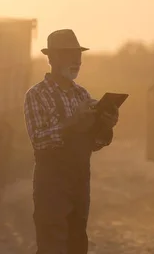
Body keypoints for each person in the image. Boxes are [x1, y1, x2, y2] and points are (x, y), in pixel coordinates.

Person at [24, 29, 119, 254]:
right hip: (51, 184)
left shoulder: (82, 95)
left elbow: (94, 143)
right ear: (52, 58)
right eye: (69, 55)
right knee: (52, 244)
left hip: (79, 182)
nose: (76, 61)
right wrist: (73, 122)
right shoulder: (36, 95)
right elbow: (39, 140)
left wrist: (106, 125)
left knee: (77, 242)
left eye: (78, 55)